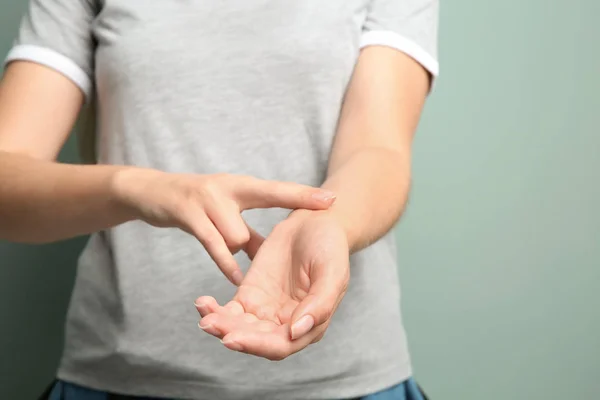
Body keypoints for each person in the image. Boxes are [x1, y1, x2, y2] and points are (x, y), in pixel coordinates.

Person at [0, 0, 439, 399]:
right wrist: (138, 187)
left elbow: (379, 148)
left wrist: (332, 223)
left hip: (350, 381)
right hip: (119, 374)